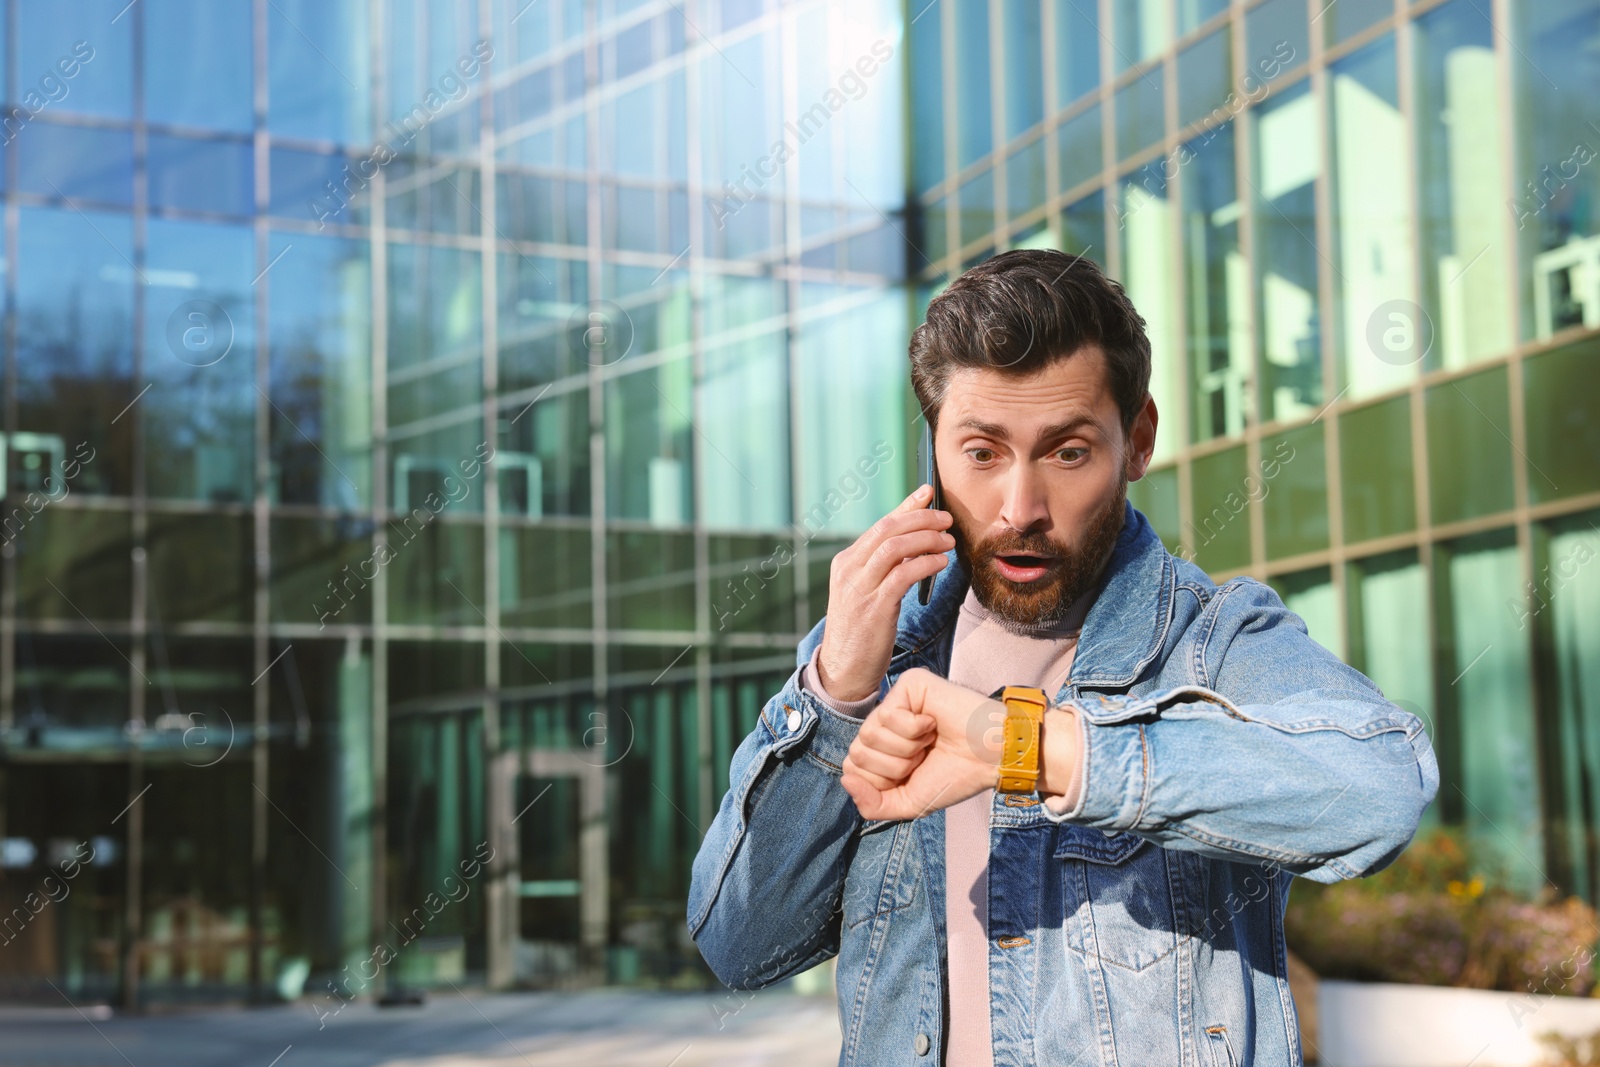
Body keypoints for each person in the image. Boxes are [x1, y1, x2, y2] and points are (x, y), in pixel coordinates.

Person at [687, 249, 1437, 1066]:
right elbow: (742, 945)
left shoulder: (1210, 642)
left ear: (1137, 441)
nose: (1020, 509)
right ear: (933, 450)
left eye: (1068, 451)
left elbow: (1382, 789)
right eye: (981, 453)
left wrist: (1024, 746)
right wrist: (835, 693)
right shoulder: (878, 659)